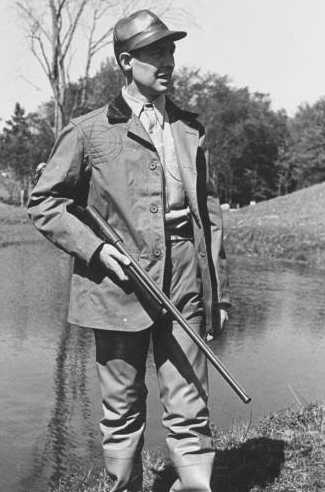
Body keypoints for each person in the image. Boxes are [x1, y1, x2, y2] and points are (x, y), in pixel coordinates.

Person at [28, 9, 230, 492]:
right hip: (118, 284)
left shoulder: (189, 129)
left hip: (185, 277)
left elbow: (212, 215)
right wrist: (97, 251)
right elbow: (46, 202)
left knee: (190, 397)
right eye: (156, 52)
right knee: (121, 407)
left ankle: (195, 487)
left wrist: (218, 294)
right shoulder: (87, 130)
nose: (169, 61)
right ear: (125, 61)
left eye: (171, 50)